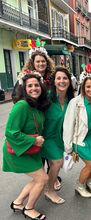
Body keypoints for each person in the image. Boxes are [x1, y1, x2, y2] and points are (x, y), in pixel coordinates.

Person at [2, 73, 50, 220]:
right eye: (30, 86)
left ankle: (17, 203)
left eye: (36, 85)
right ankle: (29, 209)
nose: (34, 88)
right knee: (42, 179)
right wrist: (34, 141)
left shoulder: (36, 105)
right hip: (19, 150)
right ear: (24, 89)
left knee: (38, 179)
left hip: (31, 151)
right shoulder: (22, 105)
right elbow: (10, 132)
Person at [63, 76, 91, 198]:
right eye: (88, 87)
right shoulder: (75, 102)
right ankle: (80, 185)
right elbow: (68, 124)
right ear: (83, 88)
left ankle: (89, 181)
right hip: (79, 139)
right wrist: (68, 147)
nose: (90, 89)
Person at [41, 67, 74, 204]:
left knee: (56, 164)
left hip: (60, 138)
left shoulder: (70, 100)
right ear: (54, 82)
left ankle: (51, 183)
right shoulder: (47, 96)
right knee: (57, 162)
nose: (62, 81)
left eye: (65, 78)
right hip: (46, 137)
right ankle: (50, 191)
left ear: (69, 81)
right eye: (58, 78)